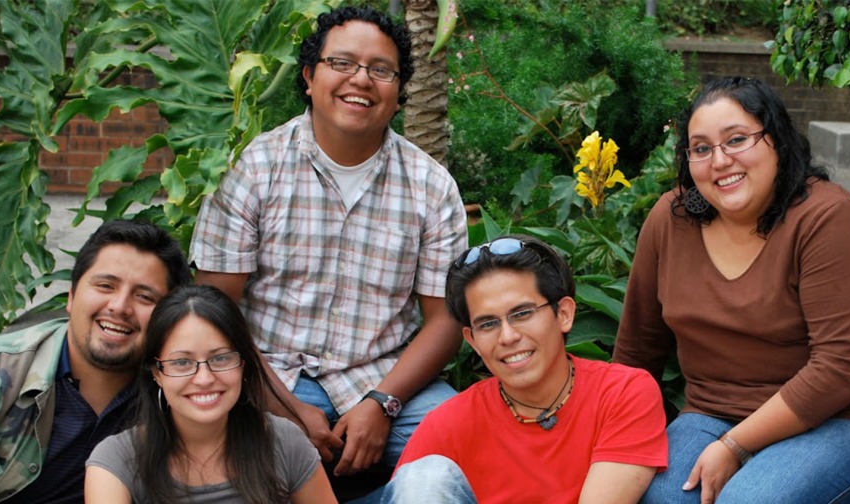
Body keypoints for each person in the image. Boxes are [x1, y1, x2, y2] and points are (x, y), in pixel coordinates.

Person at [613, 76, 850, 504]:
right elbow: (638, 350)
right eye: (702, 148)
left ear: (777, 141)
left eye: (737, 139)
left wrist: (735, 446)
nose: (720, 160)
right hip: (714, 412)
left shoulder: (832, 221)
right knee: (660, 498)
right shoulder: (671, 221)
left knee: (751, 501)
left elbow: (840, 369)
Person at [189, 4, 468, 485]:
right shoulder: (254, 168)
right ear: (308, 77)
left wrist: (383, 402)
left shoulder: (431, 185)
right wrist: (285, 406)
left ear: (399, 93)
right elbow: (214, 310)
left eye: (381, 70)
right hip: (266, 373)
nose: (361, 80)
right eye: (341, 63)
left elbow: (445, 318)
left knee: (460, 449)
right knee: (237, 456)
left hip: (385, 377)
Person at [381, 236, 668, 503]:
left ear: (564, 314)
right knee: (424, 476)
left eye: (522, 314)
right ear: (473, 341)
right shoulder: (446, 424)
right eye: (488, 324)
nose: (507, 337)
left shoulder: (622, 393)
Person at [0, 219, 190, 503]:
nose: (119, 306)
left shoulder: (182, 391)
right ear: (72, 296)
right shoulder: (4, 367)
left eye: (144, 296)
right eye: (105, 285)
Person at [84, 285, 336, 503]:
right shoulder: (115, 462)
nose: (204, 378)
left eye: (221, 358)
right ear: (157, 373)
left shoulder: (285, 442)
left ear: (243, 365)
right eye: (182, 362)